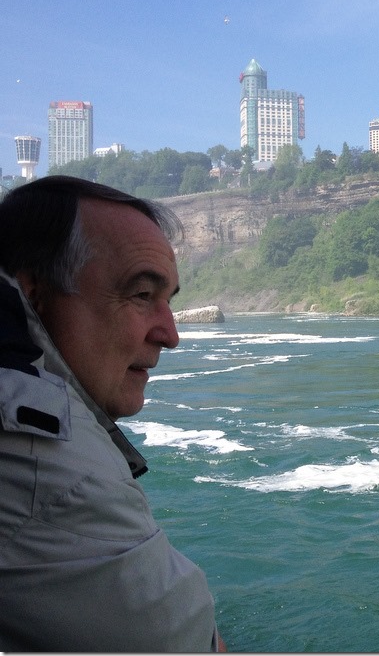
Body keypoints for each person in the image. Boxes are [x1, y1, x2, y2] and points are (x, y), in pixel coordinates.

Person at [0, 175, 225, 651]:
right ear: (34, 295)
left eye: (169, 301)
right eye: (141, 295)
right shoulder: (44, 461)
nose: (170, 333)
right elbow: (179, 643)